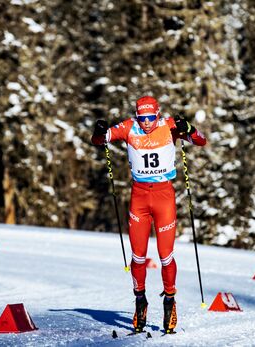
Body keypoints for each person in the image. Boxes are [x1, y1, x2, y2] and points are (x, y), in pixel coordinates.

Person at [91, 95, 207, 334]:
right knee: (138, 256)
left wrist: (190, 129)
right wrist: (100, 131)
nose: (146, 122)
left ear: (158, 114)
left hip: (164, 197)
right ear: (137, 115)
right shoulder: (128, 127)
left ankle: (169, 302)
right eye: (142, 117)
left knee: (166, 256)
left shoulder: (169, 126)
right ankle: (140, 301)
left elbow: (200, 141)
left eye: (150, 117)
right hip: (139, 198)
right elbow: (98, 141)